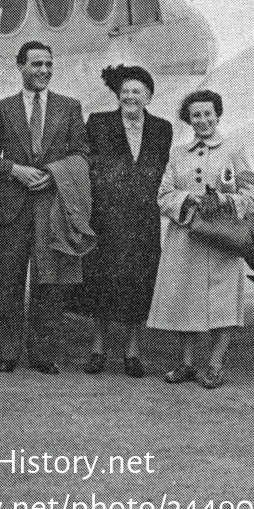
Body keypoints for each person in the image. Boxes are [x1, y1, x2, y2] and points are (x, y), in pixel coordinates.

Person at [0, 40, 91, 375]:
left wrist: (53, 175)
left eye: (48, 64)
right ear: (20, 67)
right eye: (36, 64)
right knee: (7, 281)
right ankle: (6, 352)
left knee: (50, 281)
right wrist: (14, 169)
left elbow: (82, 155)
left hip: (52, 204)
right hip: (12, 205)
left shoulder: (70, 106)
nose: (43, 70)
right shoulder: (1, 109)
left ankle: (44, 354)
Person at [147, 89, 254, 389]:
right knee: (186, 299)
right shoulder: (178, 153)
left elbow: (248, 196)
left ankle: (215, 364)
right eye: (196, 115)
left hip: (222, 238)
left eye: (208, 113)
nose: (203, 119)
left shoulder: (233, 149)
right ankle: (186, 363)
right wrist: (190, 201)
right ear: (188, 119)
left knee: (222, 302)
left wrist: (221, 200)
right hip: (186, 237)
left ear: (217, 114)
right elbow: (163, 195)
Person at [79, 65, 172, 377]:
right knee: (103, 280)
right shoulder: (99, 122)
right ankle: (98, 348)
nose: (131, 97)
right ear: (118, 96)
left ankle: (132, 351)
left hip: (144, 217)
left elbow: (159, 170)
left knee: (140, 282)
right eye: (126, 92)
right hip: (107, 215)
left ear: (148, 96)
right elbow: (91, 166)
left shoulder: (162, 128)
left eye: (138, 91)